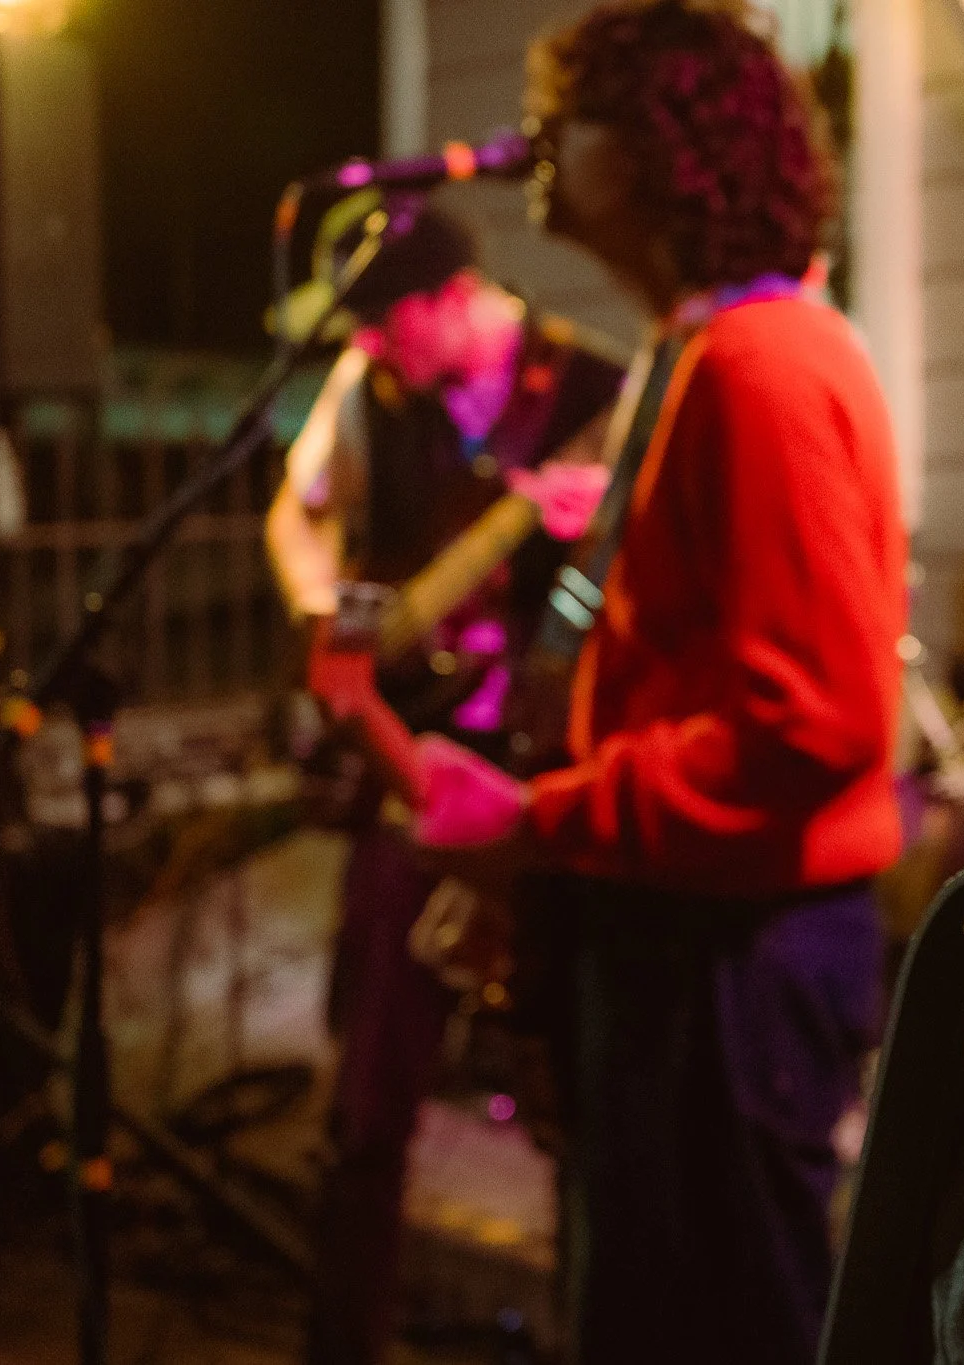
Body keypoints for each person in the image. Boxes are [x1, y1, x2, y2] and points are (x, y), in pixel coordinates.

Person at [398, 3, 907, 1359]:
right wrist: (539, 863)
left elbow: (810, 727)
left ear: (669, 148)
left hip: (735, 960)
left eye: (581, 117)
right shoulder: (697, 356)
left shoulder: (765, 369)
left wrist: (534, 825)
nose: (540, 144)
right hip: (681, 933)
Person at [263, 194, 625, 1365]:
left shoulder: (594, 392)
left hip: (548, 784)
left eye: (384, 324)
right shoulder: (368, 392)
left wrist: (600, 520)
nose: (370, 348)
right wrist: (333, 619)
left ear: (451, 298)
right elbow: (295, 516)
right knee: (367, 1108)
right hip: (407, 776)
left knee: (587, 1111)